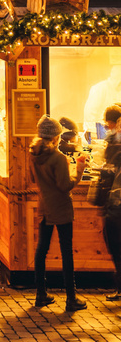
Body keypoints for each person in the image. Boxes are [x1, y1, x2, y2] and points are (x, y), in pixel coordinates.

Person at [29, 114, 88, 312]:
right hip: (61, 208)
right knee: (66, 252)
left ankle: (40, 294)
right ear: (55, 136)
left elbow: (34, 178)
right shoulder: (59, 158)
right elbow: (65, 186)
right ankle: (71, 298)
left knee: (41, 249)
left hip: (45, 206)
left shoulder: (34, 154)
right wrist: (78, 169)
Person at [100, 104, 121, 302]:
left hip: (117, 203)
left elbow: (109, 171)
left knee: (115, 244)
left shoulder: (115, 143)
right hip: (116, 202)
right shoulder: (115, 142)